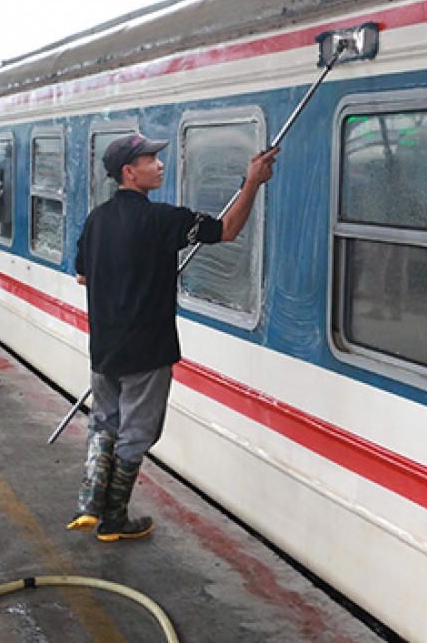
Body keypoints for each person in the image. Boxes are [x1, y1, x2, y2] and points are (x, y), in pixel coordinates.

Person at [71, 134, 277, 541]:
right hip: (147, 348)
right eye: (151, 159)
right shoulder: (164, 220)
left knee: (105, 422)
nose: (160, 164)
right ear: (130, 173)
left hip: (105, 346)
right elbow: (229, 229)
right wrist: (253, 181)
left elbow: (82, 274)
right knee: (137, 432)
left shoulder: (97, 219)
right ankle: (114, 521)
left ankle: (89, 502)